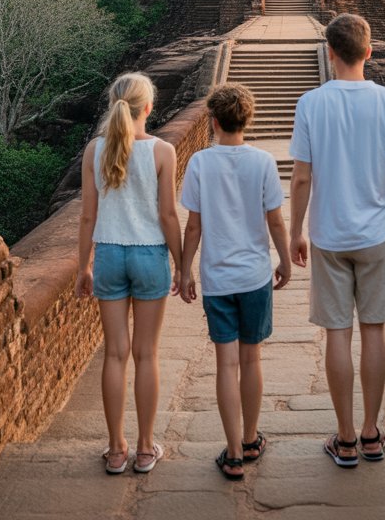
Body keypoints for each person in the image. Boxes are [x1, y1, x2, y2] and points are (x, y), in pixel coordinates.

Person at [289, 13, 385, 467]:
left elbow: (301, 177)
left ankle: (344, 439)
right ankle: (370, 434)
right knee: (374, 330)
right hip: (378, 231)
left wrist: (295, 231)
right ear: (369, 51)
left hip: (329, 233)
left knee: (337, 334)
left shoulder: (311, 103)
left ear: (330, 52)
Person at [179, 84, 292, 481]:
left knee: (226, 364)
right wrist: (285, 260)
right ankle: (250, 438)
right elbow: (275, 220)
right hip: (254, 275)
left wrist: (184, 269)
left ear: (213, 121)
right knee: (251, 359)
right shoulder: (263, 162)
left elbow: (193, 227)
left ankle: (232, 454)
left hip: (217, 277)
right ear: (248, 119)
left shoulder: (199, 163)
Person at [75, 73, 183, 475]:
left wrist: (83, 266)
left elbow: (87, 216)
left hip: (109, 254)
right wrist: (182, 264)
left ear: (113, 104)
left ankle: (116, 449)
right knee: (146, 354)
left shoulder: (95, 150)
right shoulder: (162, 151)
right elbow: (168, 215)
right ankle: (144, 448)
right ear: (148, 108)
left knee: (115, 354)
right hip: (150, 254)